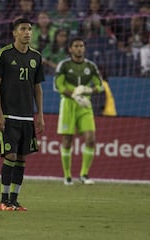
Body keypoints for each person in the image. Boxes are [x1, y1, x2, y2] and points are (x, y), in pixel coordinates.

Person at [0, 18, 45, 211]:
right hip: (9, 116)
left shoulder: (36, 57)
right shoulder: (4, 54)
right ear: (15, 33)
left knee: (22, 157)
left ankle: (14, 199)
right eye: (23, 29)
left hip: (27, 117)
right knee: (11, 155)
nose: (27, 32)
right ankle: (3, 199)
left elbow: (37, 88)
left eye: (30, 29)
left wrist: (40, 115)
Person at [54, 37, 104, 185]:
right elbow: (58, 86)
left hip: (85, 105)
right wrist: (75, 95)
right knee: (67, 141)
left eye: (81, 46)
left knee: (91, 139)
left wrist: (88, 89)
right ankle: (67, 176)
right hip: (68, 104)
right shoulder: (64, 65)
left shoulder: (91, 66)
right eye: (76, 46)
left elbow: (100, 86)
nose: (79, 48)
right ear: (70, 49)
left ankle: (84, 174)